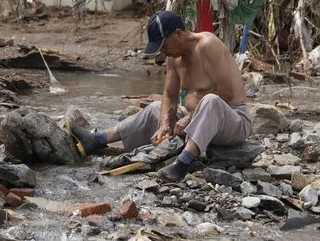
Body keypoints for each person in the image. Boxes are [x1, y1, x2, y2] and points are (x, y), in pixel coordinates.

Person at [68, 10, 252, 182]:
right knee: (156, 108)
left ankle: (182, 163)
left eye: (163, 45)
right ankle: (98, 139)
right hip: (197, 122)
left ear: (179, 33)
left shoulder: (207, 45)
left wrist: (189, 118)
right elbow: (169, 95)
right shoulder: (173, 58)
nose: (162, 52)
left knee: (211, 101)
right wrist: (165, 124)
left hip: (233, 121)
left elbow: (226, 93)